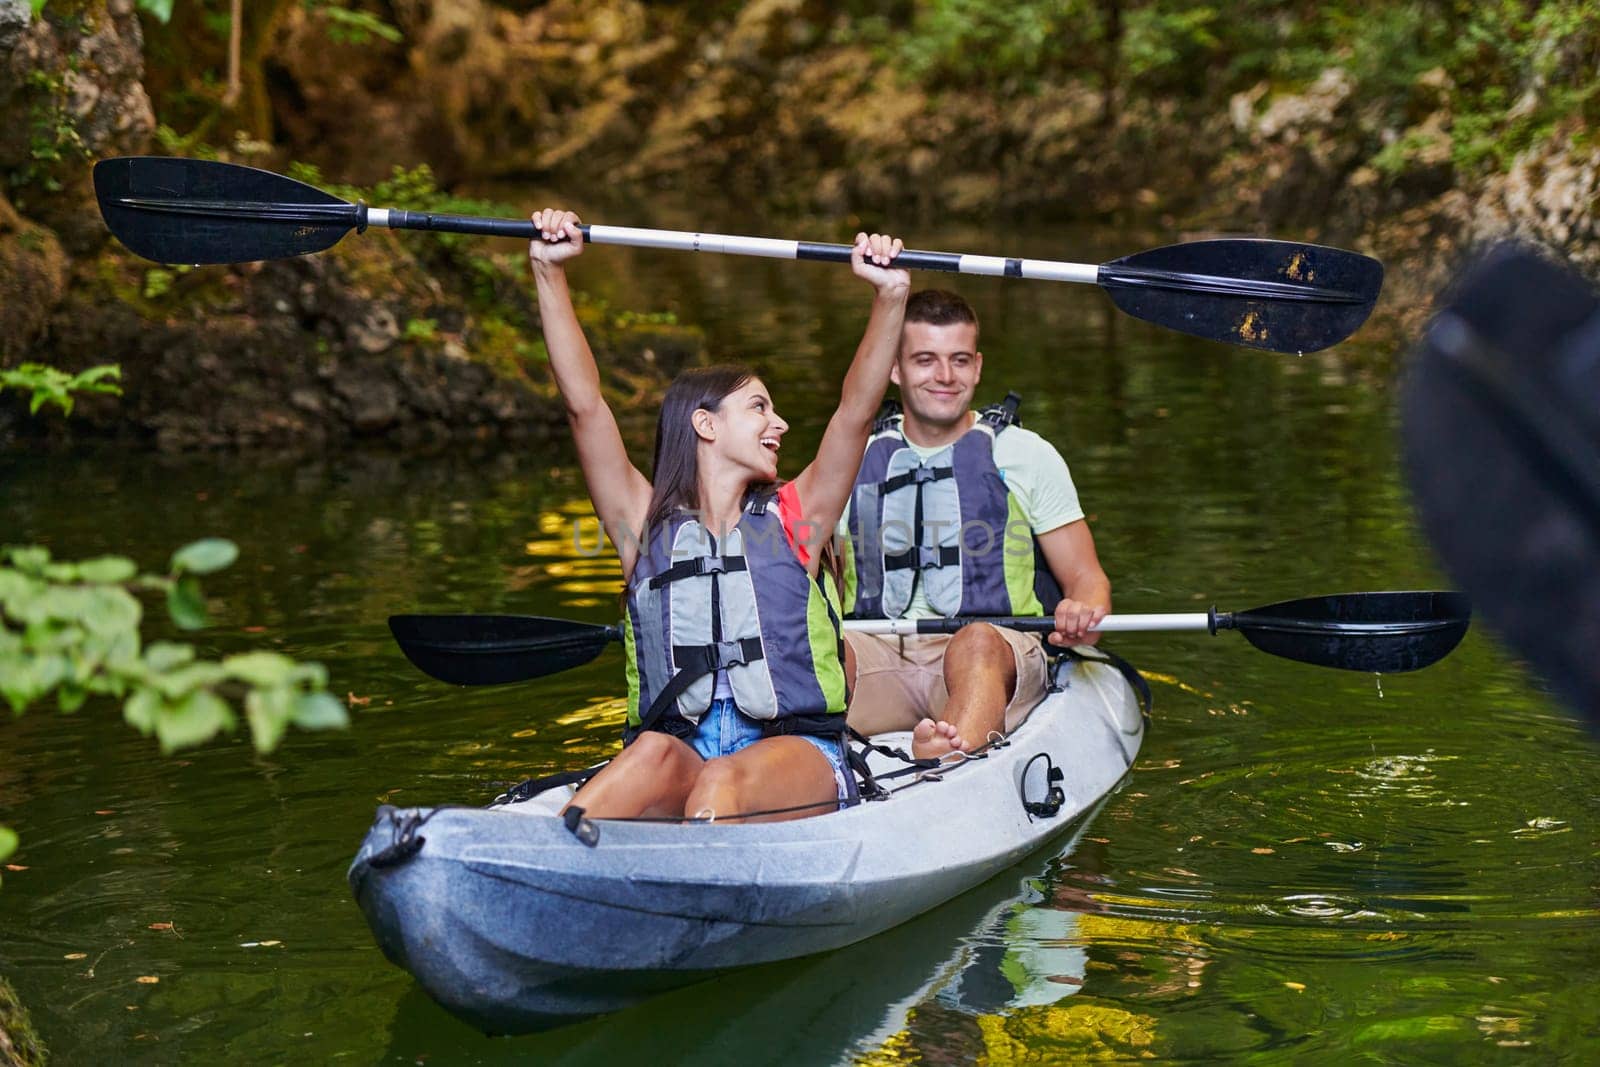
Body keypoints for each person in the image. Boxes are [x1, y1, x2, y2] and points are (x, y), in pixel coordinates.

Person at [525, 208, 910, 822]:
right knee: (649, 754)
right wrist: (548, 271)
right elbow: (585, 408)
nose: (779, 424)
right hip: (683, 749)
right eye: (759, 407)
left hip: (795, 754)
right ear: (704, 424)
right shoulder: (643, 524)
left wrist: (889, 297)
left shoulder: (798, 516)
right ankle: (547, 861)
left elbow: (855, 414)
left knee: (721, 784)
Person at [837, 289, 1111, 759]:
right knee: (822, 648)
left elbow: (1087, 580)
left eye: (959, 360)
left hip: (993, 650)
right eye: (925, 360)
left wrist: (1082, 615)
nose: (945, 376)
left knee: (976, 642)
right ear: (895, 368)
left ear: (978, 366)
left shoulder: (1027, 455)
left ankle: (945, 763)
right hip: (882, 650)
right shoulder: (852, 461)